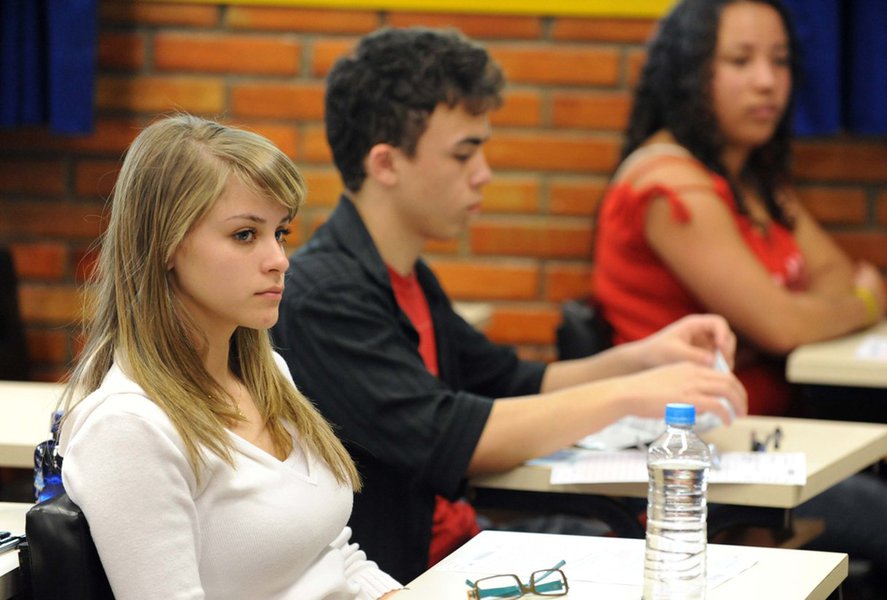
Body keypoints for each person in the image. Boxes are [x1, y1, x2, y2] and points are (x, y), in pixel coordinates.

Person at [271, 26, 748, 583]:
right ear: (386, 164)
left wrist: (643, 357)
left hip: (464, 545)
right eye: (463, 153)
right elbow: (454, 437)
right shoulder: (325, 295)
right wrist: (631, 395)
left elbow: (511, 382)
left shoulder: (405, 275)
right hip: (407, 574)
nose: (484, 173)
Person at [591, 1, 887, 599]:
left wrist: (815, 310)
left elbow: (833, 272)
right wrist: (859, 305)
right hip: (699, 468)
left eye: (780, 62)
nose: (767, 81)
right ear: (689, 73)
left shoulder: (748, 178)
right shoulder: (668, 181)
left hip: (769, 443)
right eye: (740, 60)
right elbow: (786, 323)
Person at [56, 114, 404, 600]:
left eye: (280, 233)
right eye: (245, 235)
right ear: (167, 246)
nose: (279, 259)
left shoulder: (267, 376)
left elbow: (332, 556)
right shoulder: (130, 429)